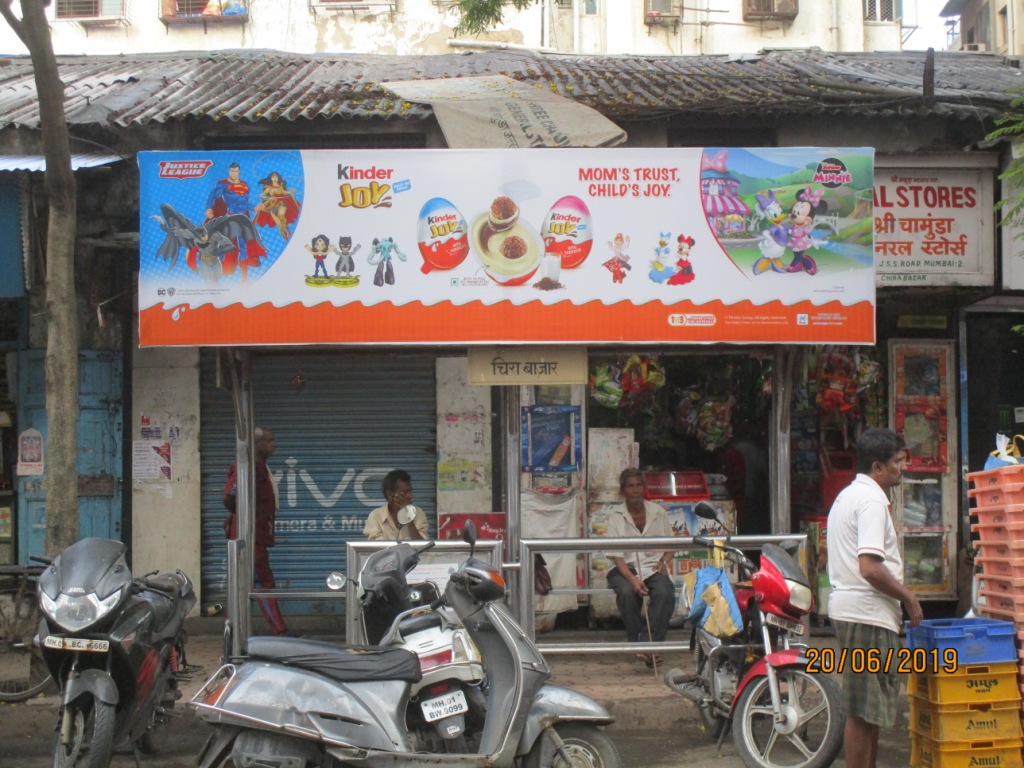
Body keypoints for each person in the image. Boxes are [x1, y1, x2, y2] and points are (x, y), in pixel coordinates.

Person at [827, 428, 924, 768]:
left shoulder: (849, 496)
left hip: (860, 612)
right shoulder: (870, 502)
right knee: (862, 709)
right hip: (865, 613)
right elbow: (869, 567)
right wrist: (908, 598)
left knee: (868, 710)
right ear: (878, 467)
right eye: (898, 462)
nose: (903, 468)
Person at [605, 468, 676, 668]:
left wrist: (664, 562)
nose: (635, 490)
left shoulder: (657, 512)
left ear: (644, 488)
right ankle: (639, 643)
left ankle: (648, 646)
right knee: (627, 592)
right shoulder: (616, 517)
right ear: (623, 491)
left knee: (665, 592)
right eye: (630, 486)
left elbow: (671, 546)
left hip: (653, 566)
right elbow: (617, 557)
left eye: (638, 485)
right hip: (625, 568)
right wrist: (633, 579)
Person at [223, 425, 289, 637]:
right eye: (269, 441)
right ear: (256, 444)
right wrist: (239, 518)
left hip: (255, 536)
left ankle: (239, 633)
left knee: (251, 585)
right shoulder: (248, 467)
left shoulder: (260, 466)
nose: (274, 444)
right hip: (250, 537)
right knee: (262, 584)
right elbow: (230, 495)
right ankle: (279, 632)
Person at [363, 469, 428, 540]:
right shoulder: (376, 516)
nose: (410, 496)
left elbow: (421, 545)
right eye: (405, 492)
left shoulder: (418, 513)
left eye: (410, 491)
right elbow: (378, 547)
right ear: (390, 495)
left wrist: (408, 517)